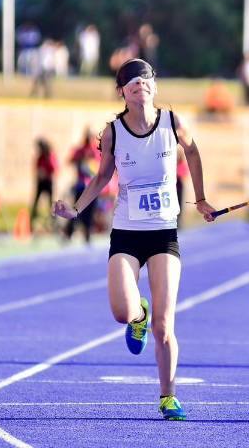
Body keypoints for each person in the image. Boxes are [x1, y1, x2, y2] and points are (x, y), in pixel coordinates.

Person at [53, 58, 216, 420]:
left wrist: (200, 198)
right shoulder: (113, 131)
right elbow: (102, 177)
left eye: (145, 78)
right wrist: (76, 210)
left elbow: (192, 151)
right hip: (127, 232)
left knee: (165, 324)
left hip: (163, 234)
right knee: (122, 312)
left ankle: (168, 396)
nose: (139, 83)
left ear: (154, 87)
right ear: (122, 92)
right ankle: (137, 316)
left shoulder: (173, 122)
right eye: (131, 80)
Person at [64, 129, 100, 244]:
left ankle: (87, 235)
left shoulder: (96, 150)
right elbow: (69, 160)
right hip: (80, 186)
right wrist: (80, 158)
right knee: (76, 210)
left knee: (89, 213)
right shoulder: (80, 150)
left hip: (92, 187)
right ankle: (69, 233)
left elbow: (101, 165)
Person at [30, 137, 58, 230]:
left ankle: (53, 222)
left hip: (48, 182)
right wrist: (40, 173)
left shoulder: (50, 156)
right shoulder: (40, 158)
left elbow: (54, 168)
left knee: (51, 203)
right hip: (41, 182)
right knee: (36, 201)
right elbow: (36, 168)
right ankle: (33, 220)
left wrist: (46, 172)